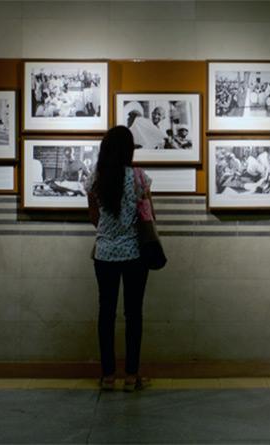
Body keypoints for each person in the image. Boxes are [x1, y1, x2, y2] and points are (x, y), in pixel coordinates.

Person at [86, 126, 152, 393]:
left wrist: (110, 233)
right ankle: (131, 376)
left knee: (106, 313)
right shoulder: (139, 178)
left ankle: (108, 376)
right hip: (135, 254)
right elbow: (149, 216)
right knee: (133, 314)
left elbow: (94, 218)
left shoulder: (97, 177)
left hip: (104, 255)